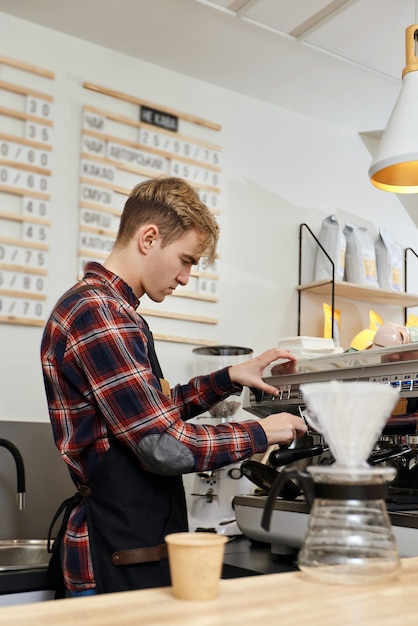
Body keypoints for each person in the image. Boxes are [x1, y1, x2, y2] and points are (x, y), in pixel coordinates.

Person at [40, 176, 307, 598]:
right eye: (185, 260)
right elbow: (163, 446)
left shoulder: (116, 312)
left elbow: (149, 414)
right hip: (113, 552)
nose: (185, 278)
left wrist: (228, 377)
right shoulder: (99, 314)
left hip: (131, 546)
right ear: (149, 238)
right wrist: (264, 431)